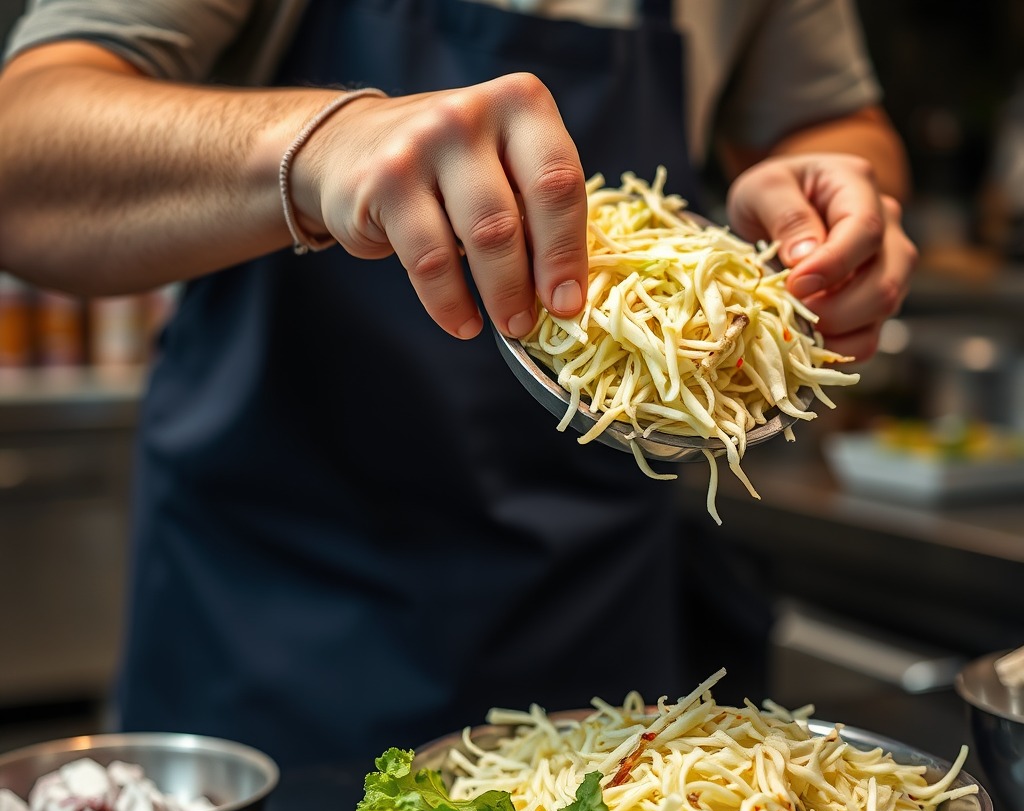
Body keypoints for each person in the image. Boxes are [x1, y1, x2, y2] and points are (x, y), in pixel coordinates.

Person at [0, 0, 917, 770]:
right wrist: (322, 143)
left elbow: (831, 121)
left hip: (588, 614)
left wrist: (830, 194)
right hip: (276, 616)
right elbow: (24, 144)